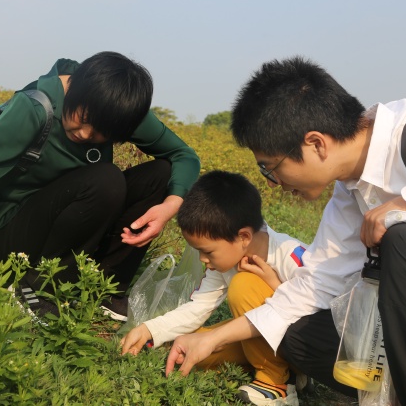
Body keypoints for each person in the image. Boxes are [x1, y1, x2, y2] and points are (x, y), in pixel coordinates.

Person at [164, 56, 406, 405]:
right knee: (295, 334)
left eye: (270, 168)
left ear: (316, 143)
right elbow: (315, 284)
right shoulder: (351, 189)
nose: (273, 184)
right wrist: (213, 338)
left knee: (405, 237)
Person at [0, 52, 200, 320]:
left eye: (101, 132)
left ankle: (104, 289)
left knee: (161, 174)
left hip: (68, 222)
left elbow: (183, 155)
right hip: (7, 232)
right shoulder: (34, 109)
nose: (84, 134)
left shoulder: (117, 112)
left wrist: (170, 205)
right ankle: (37, 287)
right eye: (83, 118)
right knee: (106, 179)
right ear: (74, 91)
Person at [121, 170, 307, 405]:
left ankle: (276, 382)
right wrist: (150, 329)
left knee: (244, 284)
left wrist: (275, 285)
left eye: (207, 251)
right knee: (186, 346)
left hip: (302, 344)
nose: (202, 259)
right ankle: (287, 372)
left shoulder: (291, 256)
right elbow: (198, 308)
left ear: (244, 237)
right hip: (263, 340)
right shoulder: (226, 261)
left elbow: (319, 314)